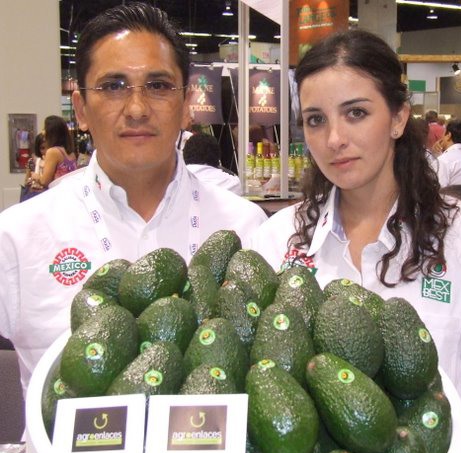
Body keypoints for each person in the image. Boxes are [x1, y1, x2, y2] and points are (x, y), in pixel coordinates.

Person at [250, 29, 461, 453]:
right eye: (316, 120)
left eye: (356, 113)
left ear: (398, 118)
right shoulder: (275, 241)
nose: (334, 138)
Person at [0, 2, 267, 398]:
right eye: (113, 86)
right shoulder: (18, 236)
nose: (137, 109)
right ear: (81, 109)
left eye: (158, 86)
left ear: (187, 105)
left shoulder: (247, 228)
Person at [29, 115, 77, 188]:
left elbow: (45, 181)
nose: (43, 132)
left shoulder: (53, 152)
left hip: (58, 192)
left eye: (44, 129)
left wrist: (36, 176)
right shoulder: (71, 154)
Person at [20, 132, 47, 201]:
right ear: (38, 149)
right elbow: (26, 181)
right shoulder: (32, 162)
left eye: (48, 147)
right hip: (34, 196)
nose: (45, 151)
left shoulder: (53, 161)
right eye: (42, 148)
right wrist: (30, 181)